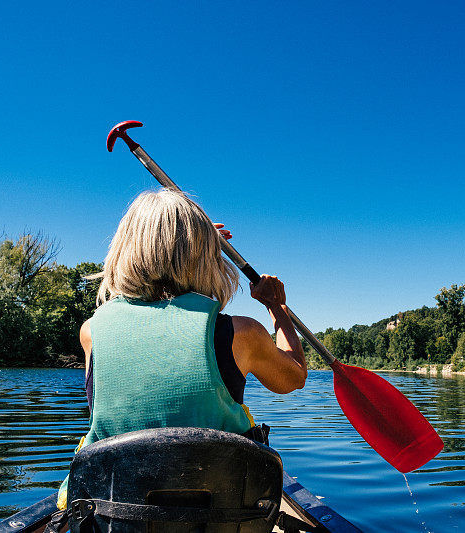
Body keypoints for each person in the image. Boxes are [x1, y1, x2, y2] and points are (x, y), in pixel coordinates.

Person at [56, 189, 307, 510]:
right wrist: (277, 307)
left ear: (123, 251)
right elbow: (295, 376)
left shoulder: (92, 332)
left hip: (117, 516)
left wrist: (180, 244)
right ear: (204, 256)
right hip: (221, 518)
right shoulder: (239, 333)